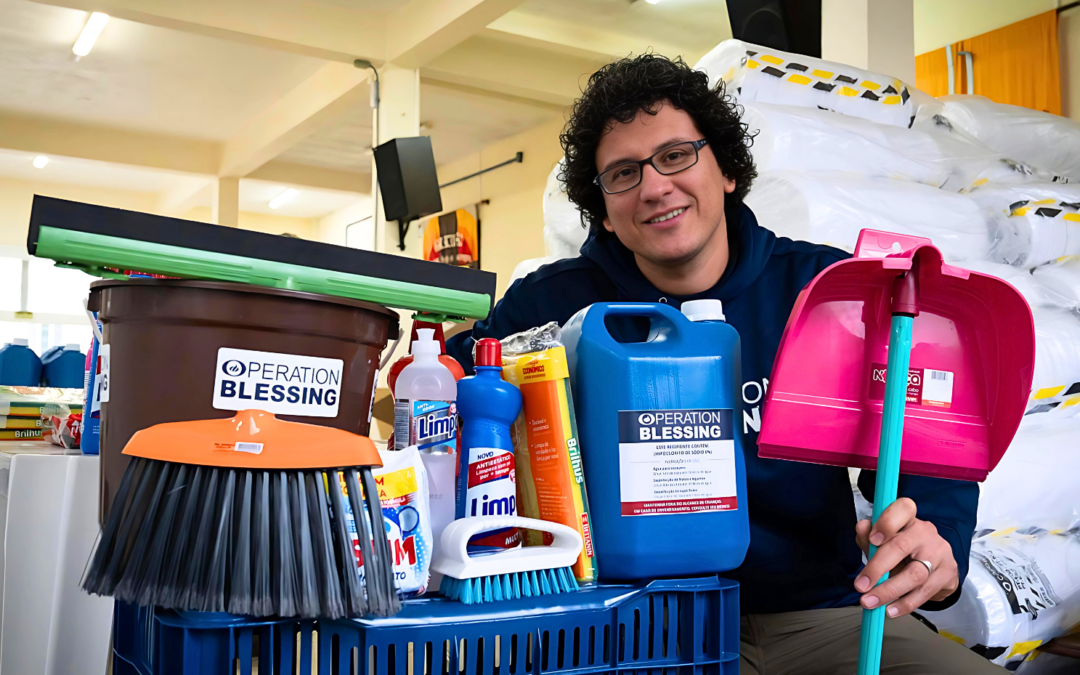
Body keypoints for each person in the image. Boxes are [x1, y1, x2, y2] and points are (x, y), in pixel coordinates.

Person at [446, 54, 998, 674]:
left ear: (727, 168)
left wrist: (936, 542)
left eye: (677, 155)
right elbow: (453, 392)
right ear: (602, 208)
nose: (655, 186)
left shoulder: (822, 293)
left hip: (819, 616)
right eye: (623, 174)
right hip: (628, 622)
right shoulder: (553, 303)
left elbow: (920, 446)